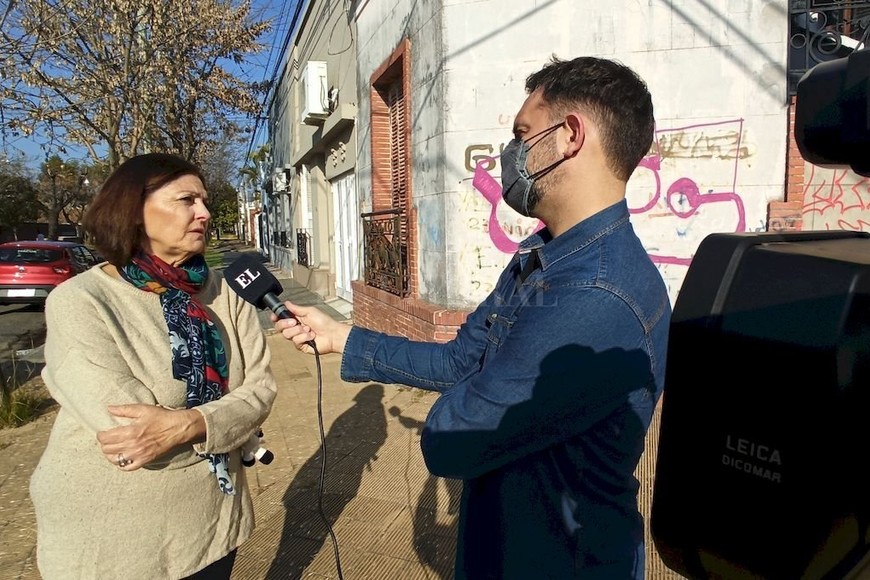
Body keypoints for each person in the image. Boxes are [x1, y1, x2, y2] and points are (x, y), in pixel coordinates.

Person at [273, 56, 671, 579]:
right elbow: (461, 359)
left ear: (570, 135)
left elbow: (453, 439)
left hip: (558, 563)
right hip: (503, 545)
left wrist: (477, 390)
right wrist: (343, 337)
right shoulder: (543, 255)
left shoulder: (594, 292)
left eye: (523, 134)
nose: (511, 153)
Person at [29, 153, 278, 579]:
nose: (204, 212)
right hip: (116, 531)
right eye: (186, 200)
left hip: (215, 517)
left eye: (204, 200)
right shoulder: (80, 301)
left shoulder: (224, 292)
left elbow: (261, 390)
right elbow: (133, 434)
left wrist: (190, 424)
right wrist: (224, 425)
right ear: (134, 211)